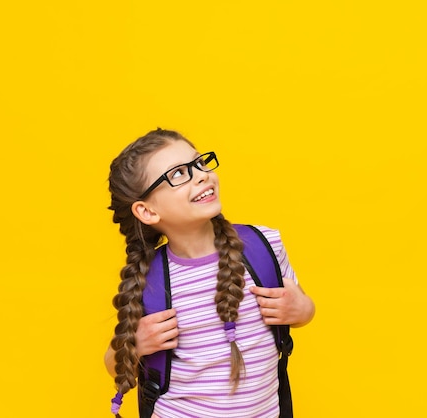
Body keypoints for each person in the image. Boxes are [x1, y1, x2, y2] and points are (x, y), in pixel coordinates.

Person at [104, 128, 315, 418]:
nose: (201, 175)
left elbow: (300, 306)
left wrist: (303, 309)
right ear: (148, 211)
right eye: (178, 174)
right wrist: (137, 343)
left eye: (198, 163)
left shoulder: (265, 245)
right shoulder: (149, 280)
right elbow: (113, 363)